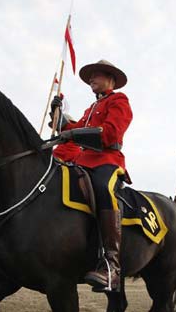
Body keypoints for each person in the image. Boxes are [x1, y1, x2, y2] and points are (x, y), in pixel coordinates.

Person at [51, 59, 133, 291]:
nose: (91, 80)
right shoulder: (91, 108)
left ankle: (111, 264)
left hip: (107, 160)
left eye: (95, 76)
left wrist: (73, 132)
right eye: (90, 77)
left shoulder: (119, 100)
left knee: (102, 188)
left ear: (110, 79)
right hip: (81, 160)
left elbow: (110, 133)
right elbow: (70, 129)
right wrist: (58, 115)